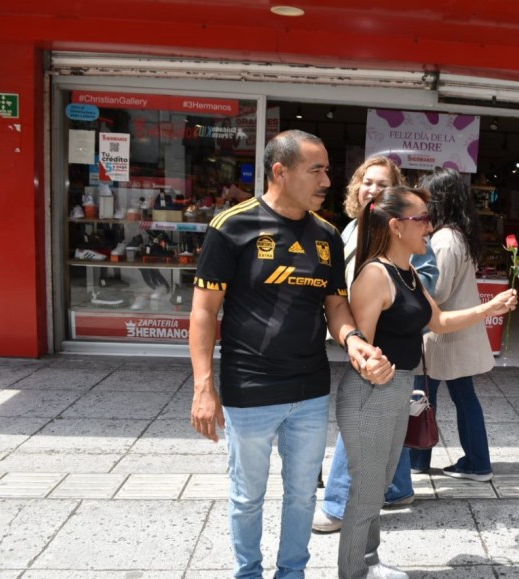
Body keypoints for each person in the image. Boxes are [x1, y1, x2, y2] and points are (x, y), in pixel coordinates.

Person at [189, 129, 394, 579]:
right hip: (249, 387)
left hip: (310, 388)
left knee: (303, 494)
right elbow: (204, 311)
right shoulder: (232, 226)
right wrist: (204, 387)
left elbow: (335, 304)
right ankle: (248, 573)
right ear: (280, 171)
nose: (327, 180)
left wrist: (355, 341)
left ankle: (292, 572)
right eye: (315, 170)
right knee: (248, 495)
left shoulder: (327, 234)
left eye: (327, 170)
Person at [337, 186, 517, 579]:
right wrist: (372, 366)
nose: (430, 228)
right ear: (398, 226)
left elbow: (439, 323)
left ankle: (369, 562)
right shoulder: (374, 274)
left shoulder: (410, 272)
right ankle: (353, 572)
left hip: (399, 389)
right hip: (371, 392)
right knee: (366, 494)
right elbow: (359, 348)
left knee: (380, 484)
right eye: (422, 220)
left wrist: (491, 307)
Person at [313, 157, 439, 534]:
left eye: (382, 184)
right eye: (366, 182)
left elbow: (424, 281)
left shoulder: (408, 234)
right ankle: (397, 488)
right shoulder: (351, 228)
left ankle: (337, 505)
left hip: (387, 338)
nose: (372, 189)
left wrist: (395, 296)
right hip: (358, 332)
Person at [408, 167, 496, 482]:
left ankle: (426, 459)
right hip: (454, 335)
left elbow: (438, 290)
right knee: (455, 397)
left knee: (420, 397)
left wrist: (406, 283)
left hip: (440, 336)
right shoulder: (459, 233)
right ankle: (473, 461)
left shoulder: (444, 240)